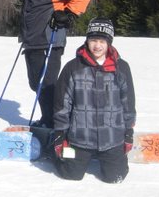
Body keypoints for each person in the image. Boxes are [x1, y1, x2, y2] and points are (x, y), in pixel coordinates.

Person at [20, 0, 93, 128]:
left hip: (49, 39)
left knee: (48, 85)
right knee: (36, 83)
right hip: (32, 40)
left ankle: (57, 125)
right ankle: (48, 119)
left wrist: (68, 13)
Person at [52, 18, 136, 183]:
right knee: (70, 175)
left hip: (112, 138)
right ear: (87, 41)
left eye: (102, 41)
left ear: (109, 43)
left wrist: (128, 132)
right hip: (79, 139)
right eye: (93, 40)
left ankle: (115, 159)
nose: (97, 46)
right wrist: (59, 134)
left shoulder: (121, 68)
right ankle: (56, 152)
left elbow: (128, 103)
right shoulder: (73, 67)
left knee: (115, 178)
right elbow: (62, 105)